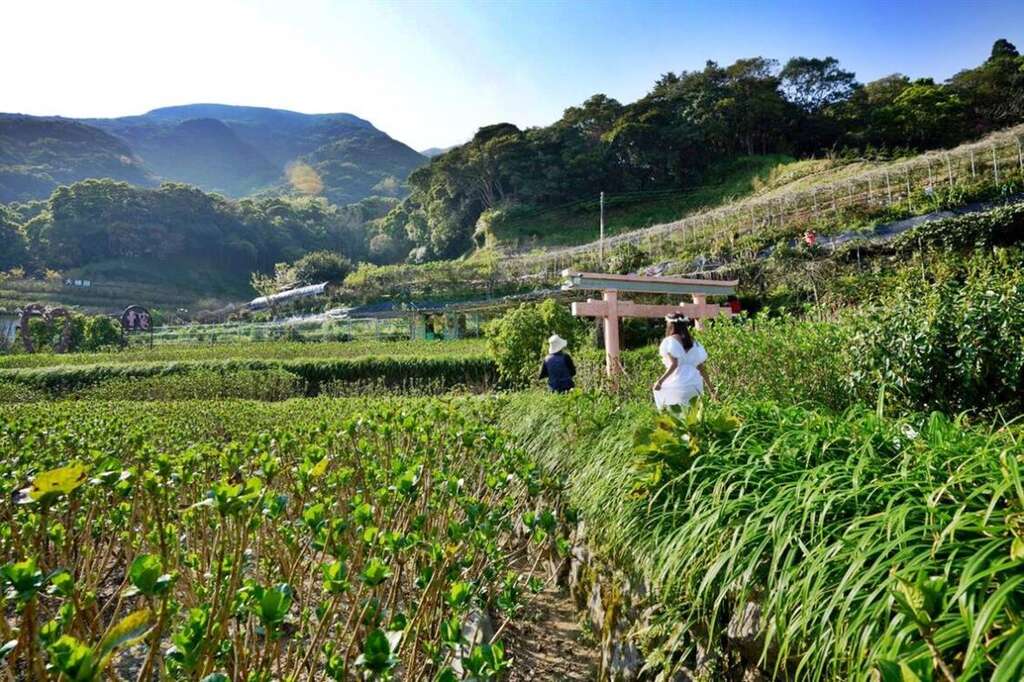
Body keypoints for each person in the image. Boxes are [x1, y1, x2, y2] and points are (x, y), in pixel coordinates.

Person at [653, 314, 715, 410]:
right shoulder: (694, 342)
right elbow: (701, 368)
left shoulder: (669, 341)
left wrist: (660, 382)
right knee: (694, 413)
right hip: (695, 383)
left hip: (679, 382)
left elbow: (674, 364)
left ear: (670, 325)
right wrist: (711, 388)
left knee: (676, 413)